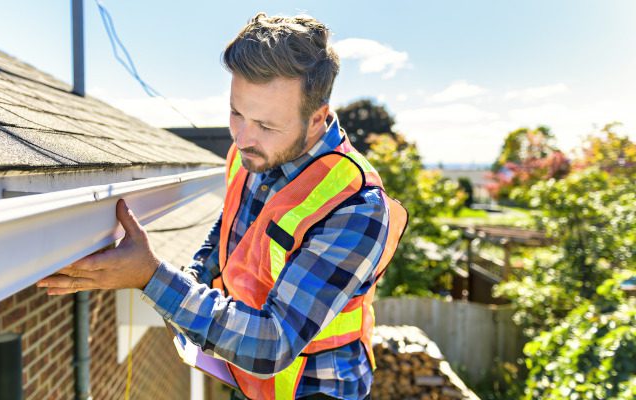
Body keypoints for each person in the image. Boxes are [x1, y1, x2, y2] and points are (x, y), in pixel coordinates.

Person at [38, 12, 407, 400]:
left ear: (316, 118)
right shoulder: (250, 154)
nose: (244, 137)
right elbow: (227, 231)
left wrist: (152, 279)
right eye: (236, 112)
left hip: (315, 389)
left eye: (266, 125)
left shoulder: (356, 207)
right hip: (246, 382)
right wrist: (189, 282)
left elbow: (273, 344)